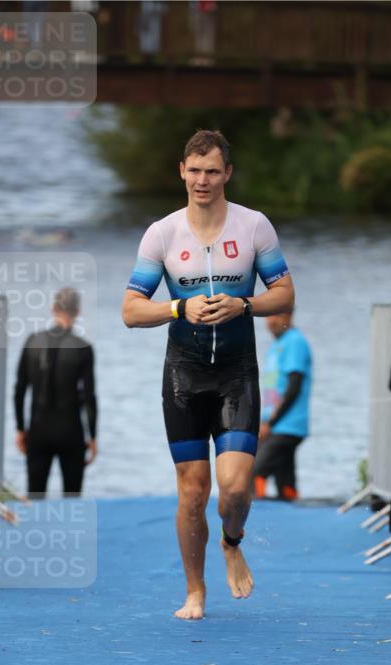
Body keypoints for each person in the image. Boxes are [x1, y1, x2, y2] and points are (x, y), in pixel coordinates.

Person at [122, 129, 294, 621]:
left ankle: (232, 541)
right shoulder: (162, 233)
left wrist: (245, 304)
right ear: (182, 171)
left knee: (236, 488)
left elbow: (285, 295)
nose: (203, 180)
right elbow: (131, 311)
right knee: (193, 490)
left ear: (227, 175)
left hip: (237, 374)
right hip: (184, 376)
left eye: (212, 171)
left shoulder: (254, 226)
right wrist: (179, 307)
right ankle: (195, 591)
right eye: (195, 171)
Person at [14, 287, 97, 498]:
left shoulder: (32, 342)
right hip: (71, 431)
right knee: (71, 498)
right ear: (77, 312)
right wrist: (93, 436)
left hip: (38, 430)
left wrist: (21, 428)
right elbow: (89, 397)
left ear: (53, 308)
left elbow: (20, 389)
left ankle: (35, 530)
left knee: (35, 495)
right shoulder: (83, 348)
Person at [255, 312, 312, 501]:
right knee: (285, 481)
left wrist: (270, 423)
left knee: (252, 473)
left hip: (287, 425)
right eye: (268, 316)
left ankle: (256, 514)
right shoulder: (277, 345)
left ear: (289, 315)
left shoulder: (294, 342)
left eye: (277, 315)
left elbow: (293, 388)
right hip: (275, 424)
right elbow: (274, 389)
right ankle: (292, 503)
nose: (271, 321)